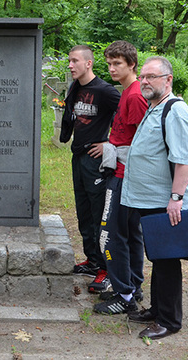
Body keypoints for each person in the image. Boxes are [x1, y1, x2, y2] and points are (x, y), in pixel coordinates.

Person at [120, 56, 188, 339]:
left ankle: (169, 321)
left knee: (166, 261)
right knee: (157, 256)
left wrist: (176, 198)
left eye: (151, 76)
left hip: (164, 201)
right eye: (142, 76)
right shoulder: (155, 108)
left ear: (168, 80)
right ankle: (156, 309)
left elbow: (183, 161)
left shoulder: (176, 111)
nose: (144, 81)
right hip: (148, 200)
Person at [92, 41, 148, 314]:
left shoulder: (135, 96)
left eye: (118, 64)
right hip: (122, 174)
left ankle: (124, 295)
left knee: (110, 235)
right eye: (110, 63)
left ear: (132, 65)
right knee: (129, 235)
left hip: (125, 176)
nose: (112, 68)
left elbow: (143, 140)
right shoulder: (127, 92)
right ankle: (131, 287)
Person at [59, 44, 120, 292]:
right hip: (79, 156)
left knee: (98, 214)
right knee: (83, 211)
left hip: (96, 162)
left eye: (75, 61)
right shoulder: (76, 87)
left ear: (88, 63)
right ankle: (92, 261)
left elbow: (129, 116)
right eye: (69, 61)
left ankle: (106, 268)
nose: (71, 65)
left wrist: (109, 144)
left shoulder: (105, 91)